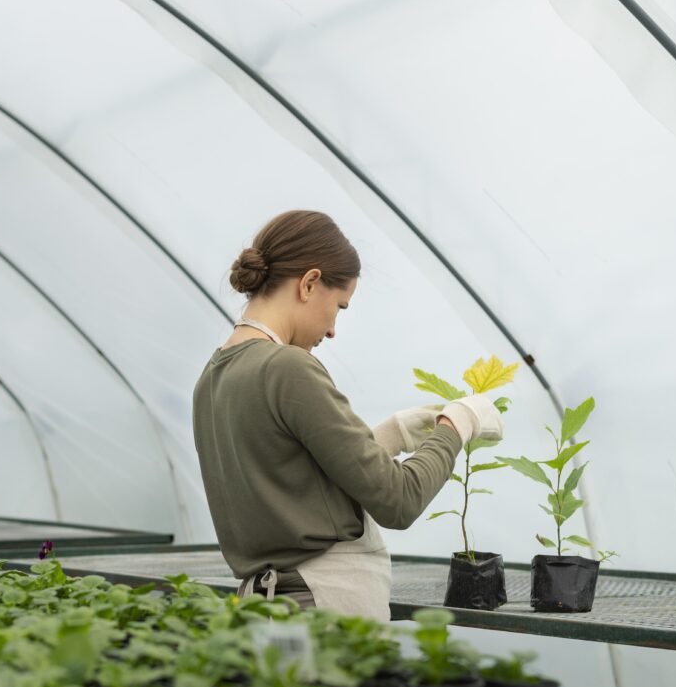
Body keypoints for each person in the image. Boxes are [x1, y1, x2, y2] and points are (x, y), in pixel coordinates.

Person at [192, 210, 503, 621]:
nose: (333, 329)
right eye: (339, 306)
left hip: (262, 608)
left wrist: (389, 435)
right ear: (309, 283)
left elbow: (290, 476)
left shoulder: (212, 378)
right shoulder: (287, 366)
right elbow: (399, 500)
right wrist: (457, 424)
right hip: (325, 609)